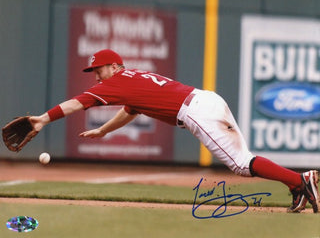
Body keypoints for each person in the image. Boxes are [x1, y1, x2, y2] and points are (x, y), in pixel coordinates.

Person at [30, 49, 319, 213]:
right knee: (244, 158)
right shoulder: (135, 78)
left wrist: (43, 118)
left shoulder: (117, 81)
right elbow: (131, 109)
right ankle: (297, 186)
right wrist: (105, 130)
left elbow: (76, 104)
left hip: (196, 111)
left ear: (116, 66)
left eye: (99, 69)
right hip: (207, 100)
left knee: (242, 165)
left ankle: (301, 179)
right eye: (94, 71)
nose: (96, 75)